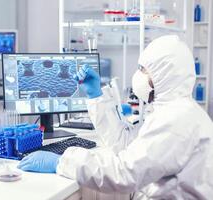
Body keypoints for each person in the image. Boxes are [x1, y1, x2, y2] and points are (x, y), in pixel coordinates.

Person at [18, 35, 213, 199]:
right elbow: (127, 145)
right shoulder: (172, 111)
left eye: (143, 69)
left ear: (164, 74)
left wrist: (61, 162)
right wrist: (96, 97)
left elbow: (125, 174)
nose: (138, 75)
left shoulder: (176, 119)